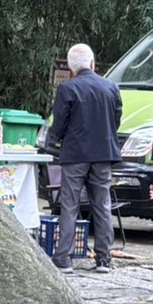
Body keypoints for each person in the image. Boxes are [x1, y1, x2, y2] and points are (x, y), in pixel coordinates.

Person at [50, 43, 122, 274]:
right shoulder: (111, 87)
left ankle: (64, 259)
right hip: (103, 154)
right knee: (102, 205)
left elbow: (59, 123)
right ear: (92, 63)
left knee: (70, 205)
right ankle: (103, 259)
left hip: (75, 155)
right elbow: (116, 119)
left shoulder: (67, 88)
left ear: (71, 68)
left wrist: (54, 139)